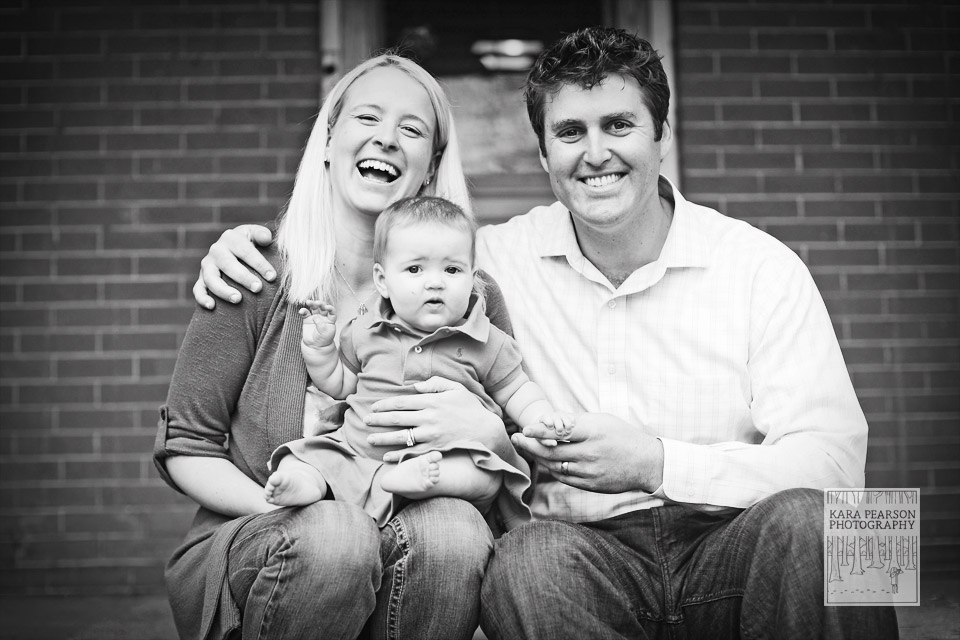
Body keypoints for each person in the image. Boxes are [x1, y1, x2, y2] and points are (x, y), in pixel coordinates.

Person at [192, 27, 898, 639]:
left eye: (619, 125)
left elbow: (843, 469)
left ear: (662, 134)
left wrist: (657, 464)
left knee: (856, 531)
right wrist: (249, 249)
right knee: (522, 560)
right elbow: (393, 262)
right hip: (584, 561)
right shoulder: (491, 264)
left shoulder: (762, 266)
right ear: (543, 155)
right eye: (570, 132)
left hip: (743, 542)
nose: (595, 153)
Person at [155, 53, 526, 640]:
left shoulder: (468, 296)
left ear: (430, 168)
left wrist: (490, 433)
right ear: (328, 142)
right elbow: (186, 447)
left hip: (417, 528)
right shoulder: (254, 278)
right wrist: (295, 507)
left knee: (455, 529)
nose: (386, 138)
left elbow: (503, 454)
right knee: (336, 536)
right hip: (267, 530)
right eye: (367, 118)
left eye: (411, 129)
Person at [266, 195, 570, 531]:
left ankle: (418, 479)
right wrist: (321, 349)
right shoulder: (366, 330)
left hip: (444, 458)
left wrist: (543, 418)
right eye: (415, 269)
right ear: (382, 280)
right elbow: (340, 385)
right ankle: (302, 483)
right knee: (313, 455)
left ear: (472, 277)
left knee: (484, 477)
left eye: (452, 269)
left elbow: (518, 391)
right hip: (361, 453)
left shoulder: (486, 340)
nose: (435, 281)